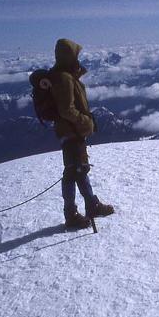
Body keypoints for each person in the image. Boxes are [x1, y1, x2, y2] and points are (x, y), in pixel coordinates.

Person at [49, 38, 114, 229]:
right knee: (73, 171)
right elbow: (66, 110)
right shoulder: (64, 78)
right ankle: (73, 213)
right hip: (72, 132)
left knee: (78, 169)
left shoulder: (64, 75)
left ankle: (88, 206)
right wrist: (85, 122)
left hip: (69, 131)